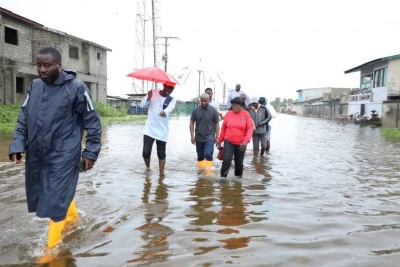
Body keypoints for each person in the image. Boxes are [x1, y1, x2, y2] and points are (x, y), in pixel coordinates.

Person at [9, 47, 102, 258]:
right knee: (50, 191)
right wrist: (17, 144)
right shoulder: (35, 86)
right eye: (39, 65)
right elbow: (24, 116)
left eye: (47, 65)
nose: (42, 69)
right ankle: (73, 217)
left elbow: (93, 123)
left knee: (54, 200)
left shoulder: (77, 88)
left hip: (64, 153)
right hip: (38, 152)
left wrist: (90, 152)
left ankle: (51, 250)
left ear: (59, 65)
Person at [140, 83, 177, 176]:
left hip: (162, 130)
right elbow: (142, 105)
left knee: (161, 154)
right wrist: (148, 98)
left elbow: (170, 108)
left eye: (171, 89)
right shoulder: (152, 92)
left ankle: (161, 174)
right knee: (145, 152)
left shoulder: (172, 99)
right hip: (149, 129)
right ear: (164, 86)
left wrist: (164, 112)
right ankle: (148, 168)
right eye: (168, 88)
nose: (169, 91)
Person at [217, 97, 253, 178]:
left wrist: (246, 141)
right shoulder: (228, 114)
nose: (234, 106)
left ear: (242, 106)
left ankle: (238, 181)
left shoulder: (246, 114)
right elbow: (223, 129)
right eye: (233, 105)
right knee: (226, 160)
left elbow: (249, 129)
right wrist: (219, 141)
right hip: (228, 140)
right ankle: (223, 179)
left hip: (241, 143)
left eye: (236, 105)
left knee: (239, 164)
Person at [190, 93, 220, 175]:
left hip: (210, 136)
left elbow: (217, 123)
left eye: (205, 101)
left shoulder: (213, 110)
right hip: (199, 136)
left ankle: (209, 173)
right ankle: (200, 172)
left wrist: (217, 136)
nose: (203, 102)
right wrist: (192, 136)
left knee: (208, 153)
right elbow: (191, 122)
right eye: (202, 101)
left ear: (209, 100)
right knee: (200, 156)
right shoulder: (195, 110)